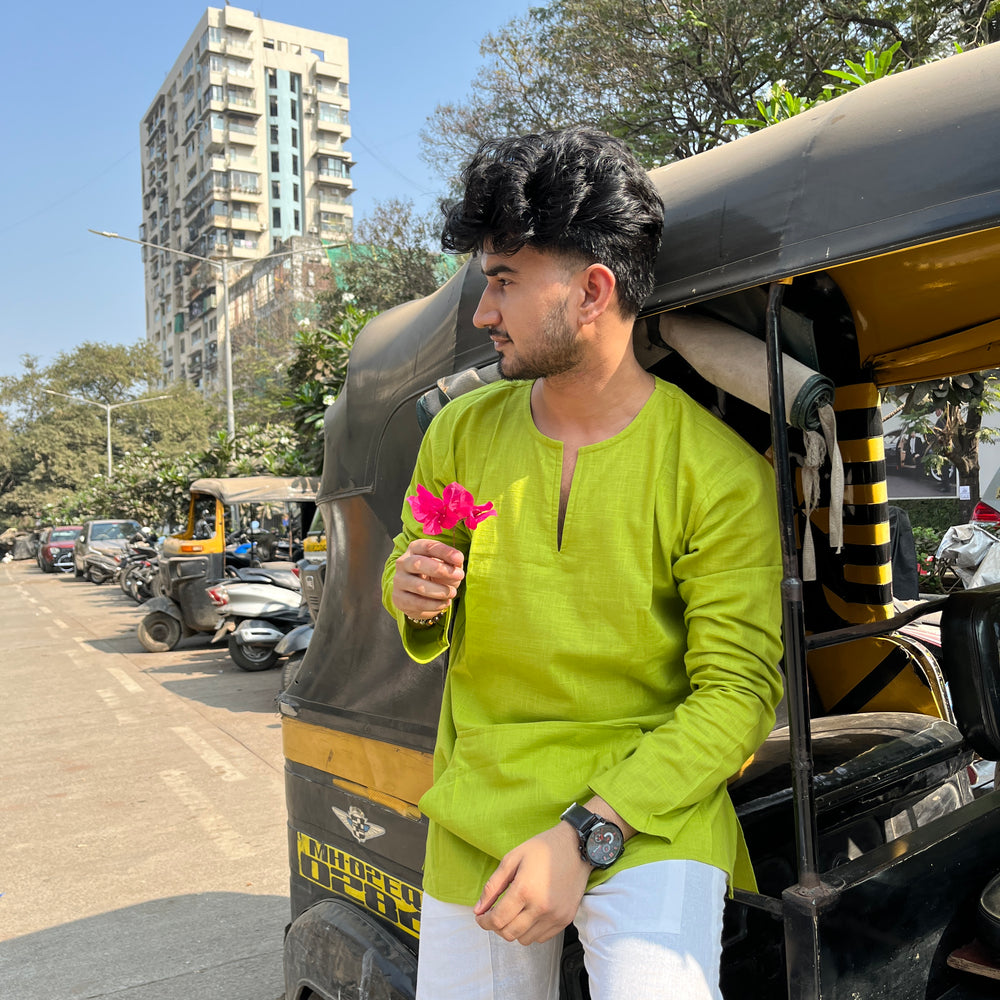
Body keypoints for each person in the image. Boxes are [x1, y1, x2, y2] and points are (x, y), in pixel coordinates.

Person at [382, 127, 784, 1000]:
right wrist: (411, 592)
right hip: (482, 793)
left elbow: (739, 695)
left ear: (594, 290)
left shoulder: (718, 474)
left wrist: (587, 835)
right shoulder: (458, 431)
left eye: (502, 282)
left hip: (649, 804)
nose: (484, 314)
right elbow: (414, 573)